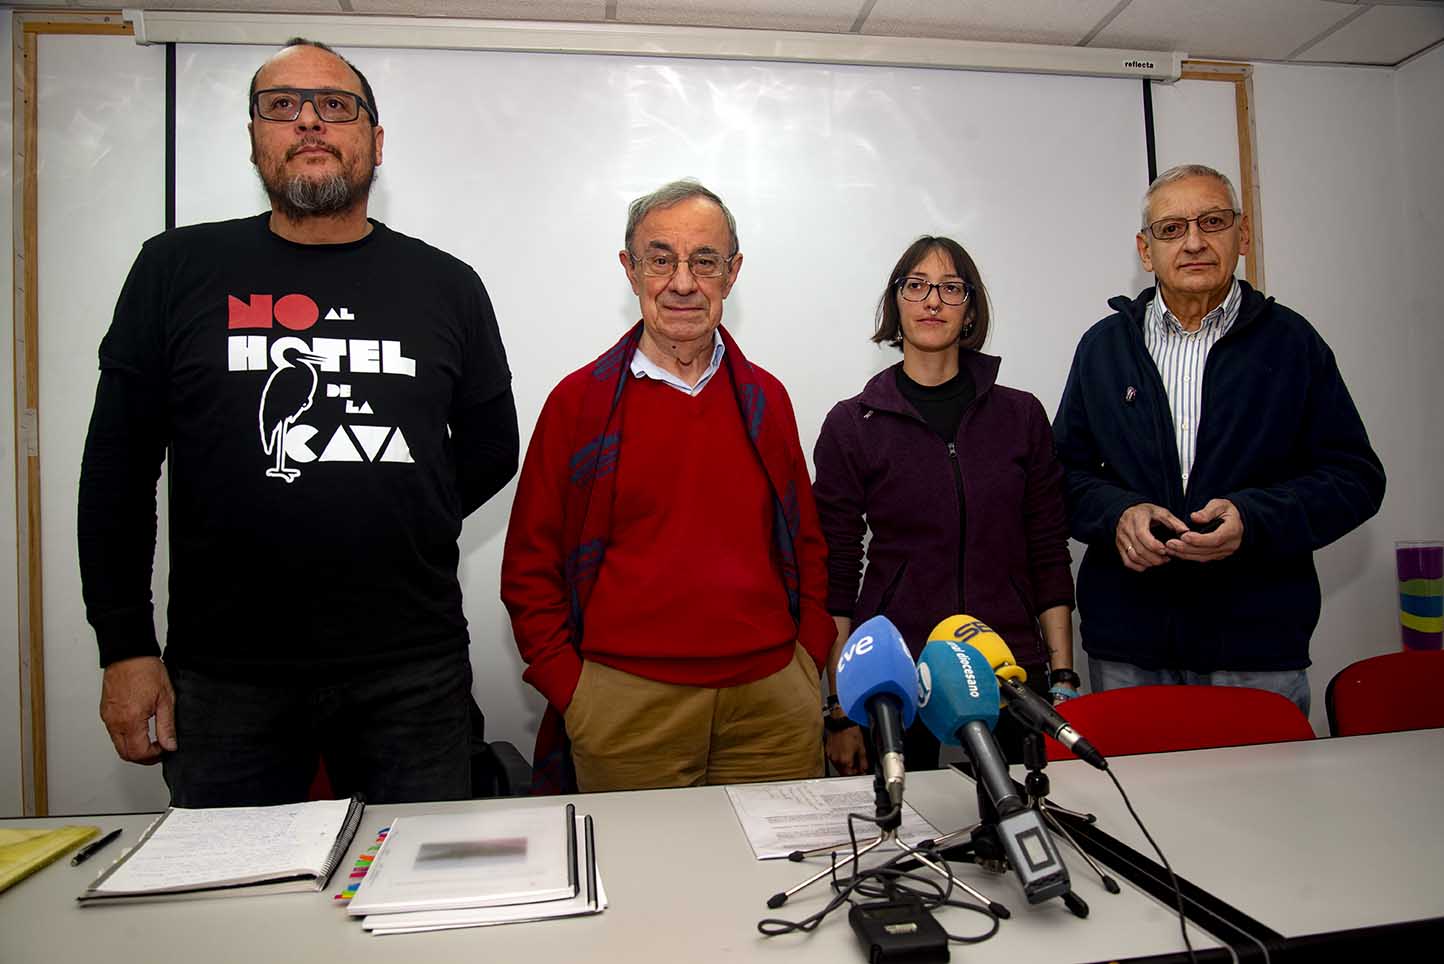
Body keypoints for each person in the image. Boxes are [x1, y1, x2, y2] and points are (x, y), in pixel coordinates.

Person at [77, 38, 518, 806]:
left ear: (375, 142)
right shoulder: (175, 269)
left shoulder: (446, 285)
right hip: (224, 676)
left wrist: (398, 510)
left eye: (335, 105)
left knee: (417, 904)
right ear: (254, 138)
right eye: (282, 106)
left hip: (411, 670)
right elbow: (117, 467)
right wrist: (125, 648)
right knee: (229, 905)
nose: (309, 122)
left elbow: (491, 446)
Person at [501, 179, 833, 793]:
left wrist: (809, 658)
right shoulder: (579, 404)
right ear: (631, 271)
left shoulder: (766, 399)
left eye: (704, 261)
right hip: (624, 708)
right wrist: (574, 691)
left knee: (783, 883)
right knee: (642, 885)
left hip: (773, 706)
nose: (683, 283)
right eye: (661, 259)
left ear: (732, 274)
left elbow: (807, 544)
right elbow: (529, 565)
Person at [1052, 164, 1385, 713]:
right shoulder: (1104, 348)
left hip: (1257, 650)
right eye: (1171, 229)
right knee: (1134, 797)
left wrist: (1254, 520)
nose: (1194, 242)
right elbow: (1061, 476)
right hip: (1128, 647)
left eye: (1212, 221)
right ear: (1145, 249)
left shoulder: (1293, 344)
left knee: (1266, 799)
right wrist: (1118, 515)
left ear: (1243, 234)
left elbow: (1356, 478)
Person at [813, 236, 1077, 775]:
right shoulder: (852, 424)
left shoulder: (1022, 417)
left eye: (950, 288)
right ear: (897, 302)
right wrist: (840, 708)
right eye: (917, 286)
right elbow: (837, 571)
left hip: (1010, 665)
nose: (932, 301)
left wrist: (1064, 678)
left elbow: (1048, 552)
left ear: (971, 307)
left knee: (1020, 824)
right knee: (904, 836)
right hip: (897, 670)